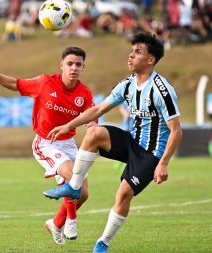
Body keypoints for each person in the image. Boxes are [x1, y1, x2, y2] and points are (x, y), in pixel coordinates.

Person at [43, 33, 183, 253]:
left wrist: (163, 163)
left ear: (150, 60)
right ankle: (74, 186)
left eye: (137, 52)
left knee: (124, 194)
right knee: (94, 133)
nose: (130, 56)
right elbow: (98, 110)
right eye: (131, 51)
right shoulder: (127, 84)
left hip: (151, 153)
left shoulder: (161, 90)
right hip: (132, 142)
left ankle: (102, 243)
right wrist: (69, 126)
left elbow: (176, 131)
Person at [0, 47, 95, 245]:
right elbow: (14, 84)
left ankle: (56, 223)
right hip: (46, 143)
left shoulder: (84, 93)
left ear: (83, 67)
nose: (73, 68)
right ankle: (71, 221)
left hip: (68, 144)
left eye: (78, 64)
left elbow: (91, 118)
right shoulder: (45, 82)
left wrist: (93, 127)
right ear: (62, 65)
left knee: (83, 194)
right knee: (72, 175)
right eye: (69, 64)